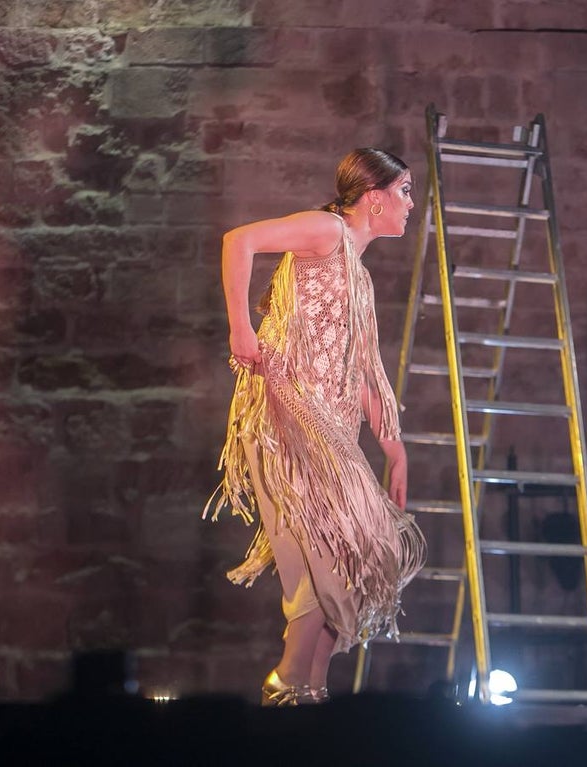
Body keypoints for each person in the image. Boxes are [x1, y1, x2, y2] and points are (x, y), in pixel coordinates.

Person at [204, 148, 426, 706]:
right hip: (287, 422)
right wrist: (239, 328)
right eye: (405, 192)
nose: (410, 204)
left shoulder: (361, 276)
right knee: (328, 562)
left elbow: (364, 371)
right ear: (374, 199)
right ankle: (286, 687)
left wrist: (394, 448)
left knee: (355, 559)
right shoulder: (327, 230)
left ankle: (310, 694)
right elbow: (239, 240)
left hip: (330, 433)